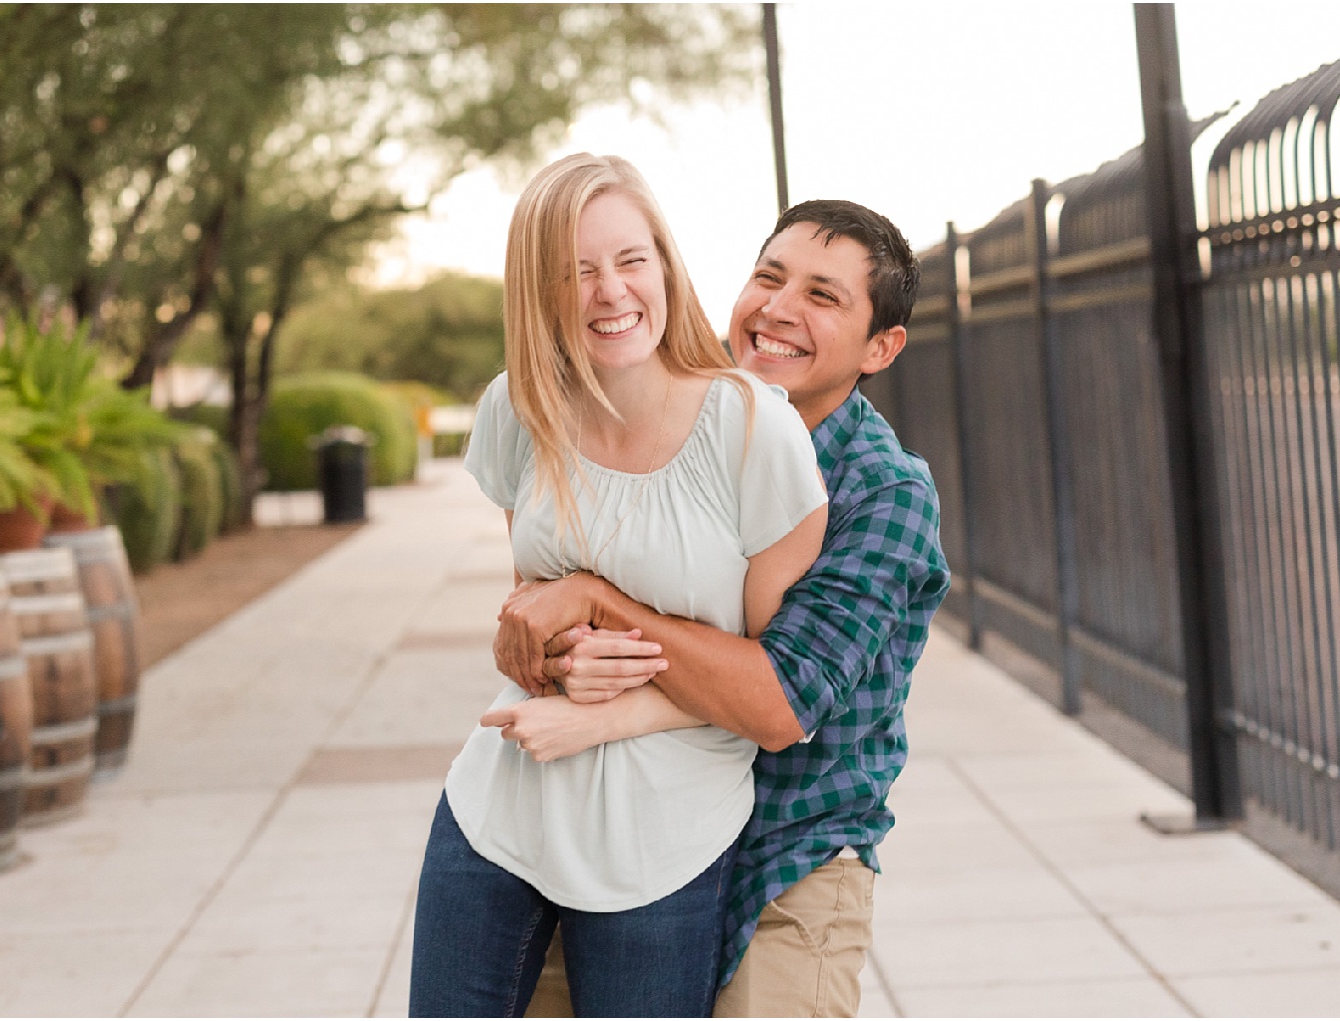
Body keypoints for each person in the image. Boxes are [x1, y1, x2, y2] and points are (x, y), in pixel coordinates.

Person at [491, 198, 951, 1018]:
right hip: (637, 818)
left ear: (881, 347)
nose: (777, 309)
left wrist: (600, 601)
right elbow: (550, 615)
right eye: (768, 277)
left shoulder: (885, 493)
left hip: (789, 849)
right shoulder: (671, 420)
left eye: (823, 295)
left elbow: (779, 702)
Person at [407, 153, 829, 1018]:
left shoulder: (752, 429)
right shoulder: (515, 412)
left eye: (630, 260)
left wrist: (608, 699)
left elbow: (768, 688)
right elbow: (528, 610)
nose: (611, 291)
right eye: (576, 272)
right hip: (499, 806)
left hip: (665, 837)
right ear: (539, 291)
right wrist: (543, 651)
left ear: (665, 264)